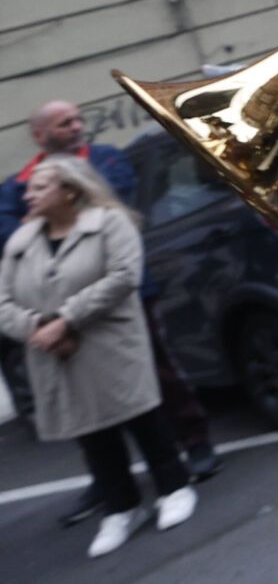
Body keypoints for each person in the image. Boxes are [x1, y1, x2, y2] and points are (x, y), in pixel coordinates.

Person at [0, 101, 221, 525]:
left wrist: (53, 212)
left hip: (120, 297)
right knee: (82, 400)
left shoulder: (105, 159)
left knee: (155, 373)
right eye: (65, 124)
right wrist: (51, 323)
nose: (77, 127)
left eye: (79, 120)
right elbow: (11, 232)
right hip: (53, 308)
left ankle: (193, 444)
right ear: (40, 135)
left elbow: (111, 204)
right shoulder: (16, 186)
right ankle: (109, 482)